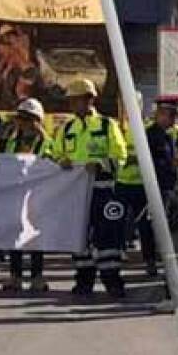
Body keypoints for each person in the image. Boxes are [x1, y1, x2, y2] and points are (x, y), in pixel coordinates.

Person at [53, 79, 129, 299]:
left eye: (76, 100)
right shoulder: (66, 129)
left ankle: (112, 281)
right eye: (71, 101)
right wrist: (61, 161)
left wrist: (101, 164)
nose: (72, 105)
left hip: (103, 190)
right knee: (79, 237)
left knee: (108, 238)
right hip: (75, 194)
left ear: (89, 100)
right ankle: (84, 281)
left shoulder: (107, 126)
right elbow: (55, 154)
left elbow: (120, 155)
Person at [115, 99, 178, 279]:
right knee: (145, 225)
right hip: (147, 187)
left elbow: (169, 161)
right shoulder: (149, 135)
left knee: (157, 225)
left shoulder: (168, 136)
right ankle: (148, 259)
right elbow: (147, 160)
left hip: (163, 186)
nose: (173, 120)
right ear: (161, 115)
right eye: (170, 116)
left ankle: (155, 257)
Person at [0, 98, 53, 292]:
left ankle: (37, 276)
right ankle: (15, 276)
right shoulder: (12, 141)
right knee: (15, 234)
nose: (21, 123)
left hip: (38, 194)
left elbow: (52, 163)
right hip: (15, 194)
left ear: (37, 121)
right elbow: (1, 161)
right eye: (20, 118)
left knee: (35, 236)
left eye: (27, 119)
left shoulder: (47, 143)